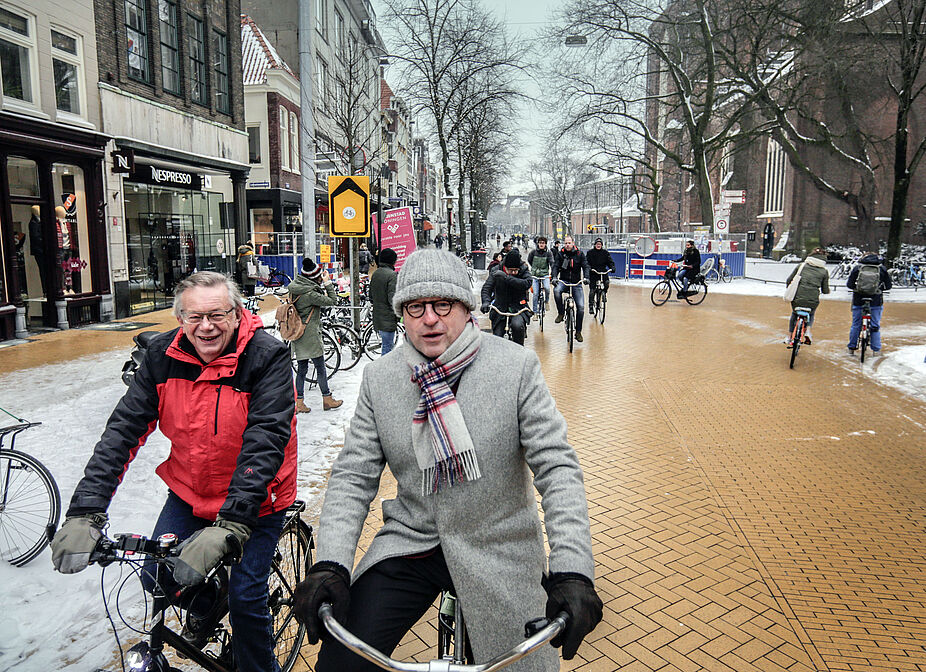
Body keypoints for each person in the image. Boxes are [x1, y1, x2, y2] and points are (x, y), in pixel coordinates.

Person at [292, 249, 601, 671]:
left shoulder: (515, 368)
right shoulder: (382, 379)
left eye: (443, 305)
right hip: (412, 543)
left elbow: (557, 468)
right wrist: (330, 564)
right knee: (342, 661)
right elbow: (353, 476)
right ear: (402, 312)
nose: (430, 319)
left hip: (498, 547)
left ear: (466, 308)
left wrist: (573, 569)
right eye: (416, 307)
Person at [50, 271, 297, 672]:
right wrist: (86, 510)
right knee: (157, 576)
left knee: (245, 599)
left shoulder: (266, 357)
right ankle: (203, 607)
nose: (206, 326)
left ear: (236, 315)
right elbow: (121, 433)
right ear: (180, 318)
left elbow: (265, 441)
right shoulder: (161, 356)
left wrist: (232, 524)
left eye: (217, 314)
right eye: (194, 316)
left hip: (257, 501)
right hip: (190, 490)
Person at [289, 259, 343, 413]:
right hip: (310, 334)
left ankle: (299, 402)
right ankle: (327, 399)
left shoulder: (295, 287)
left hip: (298, 333)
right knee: (320, 367)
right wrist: (327, 283)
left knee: (302, 369)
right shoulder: (310, 293)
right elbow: (333, 301)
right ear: (314, 278)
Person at [481, 249, 532, 345]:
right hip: (500, 307)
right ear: (505, 267)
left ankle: (519, 351)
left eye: (515, 270)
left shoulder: (523, 269)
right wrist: (486, 302)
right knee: (497, 337)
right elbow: (487, 288)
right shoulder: (496, 270)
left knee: (517, 326)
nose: (513, 272)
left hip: (518, 307)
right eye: (510, 270)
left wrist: (507, 277)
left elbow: (527, 283)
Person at [846, 252, 892, 356]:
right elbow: (888, 286)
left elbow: (849, 284)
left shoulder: (857, 268)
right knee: (875, 325)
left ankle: (852, 347)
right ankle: (876, 349)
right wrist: (879, 289)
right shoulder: (882, 269)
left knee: (856, 324)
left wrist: (856, 288)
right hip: (876, 300)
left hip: (858, 299)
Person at [784, 248, 830, 346]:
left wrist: (789, 287)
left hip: (798, 297)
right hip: (812, 299)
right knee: (811, 313)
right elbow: (825, 290)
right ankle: (808, 330)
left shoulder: (801, 266)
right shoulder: (824, 271)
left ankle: (789, 336)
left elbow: (789, 280)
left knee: (794, 313)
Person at [552, 235, 590, 342]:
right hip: (563, 281)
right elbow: (555, 266)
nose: (567, 245)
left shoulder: (580, 254)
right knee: (556, 291)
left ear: (573, 243)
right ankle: (561, 312)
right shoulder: (561, 254)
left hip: (576, 283)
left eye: (569, 243)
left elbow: (586, 266)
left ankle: (578, 332)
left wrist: (586, 277)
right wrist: (554, 277)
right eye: (566, 243)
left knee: (581, 307)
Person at [369, 248, 399, 355]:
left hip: (378, 318)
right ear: (393, 261)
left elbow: (371, 296)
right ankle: (384, 371)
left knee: (385, 346)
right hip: (388, 318)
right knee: (387, 349)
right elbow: (393, 299)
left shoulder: (376, 273)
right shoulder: (392, 275)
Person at [585, 238, 615, 316]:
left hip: (603, 271)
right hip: (594, 272)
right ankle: (591, 306)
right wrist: (589, 268)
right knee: (592, 290)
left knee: (607, 283)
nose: (598, 245)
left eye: (600, 244)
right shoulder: (590, 253)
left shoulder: (605, 253)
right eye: (597, 244)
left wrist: (612, 267)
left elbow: (610, 261)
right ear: (595, 245)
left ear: (602, 245)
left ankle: (604, 293)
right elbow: (586, 262)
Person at [527, 236, 554, 319]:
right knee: (535, 294)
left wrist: (552, 272)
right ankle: (535, 312)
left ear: (545, 244)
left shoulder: (548, 253)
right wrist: (534, 269)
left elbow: (551, 262)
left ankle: (546, 302)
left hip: (545, 274)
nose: (541, 244)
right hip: (535, 275)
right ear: (537, 244)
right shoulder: (533, 252)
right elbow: (529, 260)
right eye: (540, 243)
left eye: (543, 243)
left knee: (547, 288)